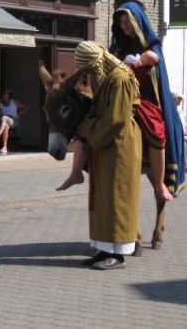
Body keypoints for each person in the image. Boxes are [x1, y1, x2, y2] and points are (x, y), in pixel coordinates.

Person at [71, 41, 142, 270]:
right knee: (101, 196)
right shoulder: (108, 75)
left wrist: (87, 129)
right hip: (106, 142)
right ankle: (103, 249)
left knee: (116, 197)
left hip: (119, 143)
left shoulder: (119, 78)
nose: (89, 73)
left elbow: (117, 119)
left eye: (90, 68)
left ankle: (118, 254)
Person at [110, 2, 183, 199]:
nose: (125, 25)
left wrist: (142, 60)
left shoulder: (151, 46)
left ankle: (159, 184)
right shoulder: (117, 49)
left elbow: (154, 59)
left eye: (128, 21)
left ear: (137, 21)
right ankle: (79, 169)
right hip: (119, 97)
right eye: (122, 21)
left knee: (156, 130)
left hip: (142, 98)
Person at [0, 87, 29, 154]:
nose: (2, 95)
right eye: (2, 94)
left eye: (4, 94)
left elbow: (26, 108)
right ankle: (5, 147)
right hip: (5, 121)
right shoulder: (0, 105)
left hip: (14, 121)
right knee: (5, 124)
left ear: (8, 95)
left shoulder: (14, 102)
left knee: (5, 119)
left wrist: (18, 115)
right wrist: (8, 116)